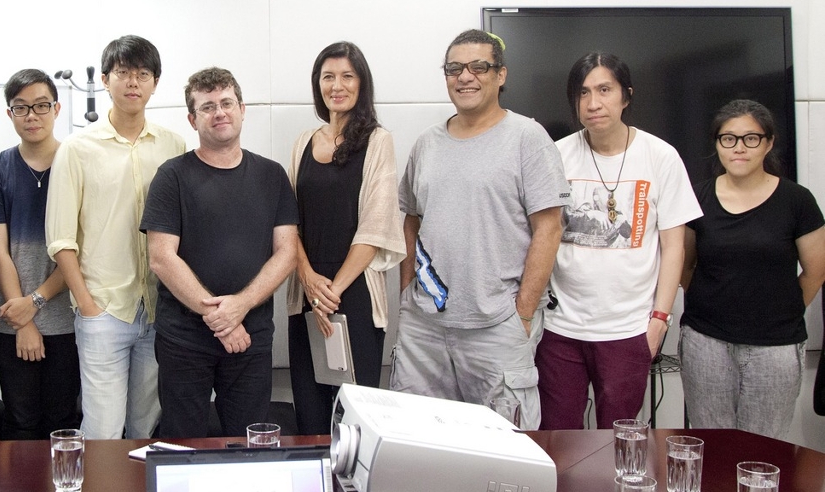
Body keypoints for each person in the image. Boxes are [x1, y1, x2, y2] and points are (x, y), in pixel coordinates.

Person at [389, 29, 568, 430]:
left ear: (500, 75)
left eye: (478, 67)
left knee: (504, 455)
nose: (464, 76)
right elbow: (411, 222)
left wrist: (521, 314)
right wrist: (407, 297)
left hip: (496, 328)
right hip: (426, 329)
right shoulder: (426, 144)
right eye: (454, 68)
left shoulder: (528, 138)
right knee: (420, 445)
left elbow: (549, 228)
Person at [537, 53, 701, 429]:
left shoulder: (661, 157)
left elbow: (673, 246)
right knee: (558, 439)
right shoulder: (555, 155)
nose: (593, 103)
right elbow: (538, 235)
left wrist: (660, 320)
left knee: (622, 441)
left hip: (628, 329)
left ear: (626, 95)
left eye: (604, 90)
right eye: (582, 93)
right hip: (560, 328)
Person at [142, 67, 299, 438]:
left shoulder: (272, 176)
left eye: (227, 103)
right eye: (207, 106)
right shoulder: (172, 176)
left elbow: (287, 253)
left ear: (242, 109)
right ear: (192, 119)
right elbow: (162, 257)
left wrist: (239, 308)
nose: (219, 112)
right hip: (184, 340)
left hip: (251, 337)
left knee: (250, 441)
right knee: (183, 444)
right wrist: (221, 318)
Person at [46, 35, 185, 440]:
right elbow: (61, 239)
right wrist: (87, 305)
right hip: (105, 309)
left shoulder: (173, 146)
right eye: (123, 73)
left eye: (143, 74)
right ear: (106, 79)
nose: (133, 83)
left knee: (143, 427)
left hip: (160, 308)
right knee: (103, 431)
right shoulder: (77, 148)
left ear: (155, 83)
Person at [680, 99, 825, 441]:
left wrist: (778, 312)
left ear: (769, 142)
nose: (739, 148)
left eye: (751, 138)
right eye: (728, 138)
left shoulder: (797, 200)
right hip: (706, 344)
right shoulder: (696, 198)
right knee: (712, 449)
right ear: (717, 145)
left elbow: (815, 272)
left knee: (763, 453)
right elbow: (685, 267)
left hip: (775, 349)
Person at [286, 42, 403, 435]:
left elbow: (376, 226)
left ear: (361, 83)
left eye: (347, 76)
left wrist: (331, 292)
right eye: (328, 77)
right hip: (307, 291)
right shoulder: (304, 141)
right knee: (310, 409)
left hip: (352, 291)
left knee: (355, 416)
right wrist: (309, 281)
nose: (337, 85)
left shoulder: (377, 140)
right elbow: (288, 223)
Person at [0, 69, 80, 439]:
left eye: (41, 106)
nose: (32, 116)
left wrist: (36, 301)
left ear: (56, 109)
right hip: (11, 316)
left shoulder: (78, 164)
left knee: (62, 421)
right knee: (20, 420)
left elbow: (78, 250)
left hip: (67, 318)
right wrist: (23, 321)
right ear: (10, 115)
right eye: (21, 108)